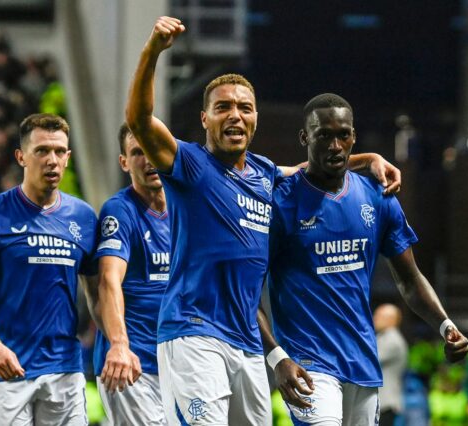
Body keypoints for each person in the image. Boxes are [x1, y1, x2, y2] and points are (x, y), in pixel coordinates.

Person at [125, 16, 402, 425]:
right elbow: (139, 121)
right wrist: (151, 52)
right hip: (193, 333)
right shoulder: (189, 163)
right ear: (205, 119)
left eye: (244, 107)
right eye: (223, 108)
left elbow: (312, 168)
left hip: (248, 342)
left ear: (255, 119)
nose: (234, 115)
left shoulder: (264, 173)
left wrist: (369, 159)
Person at [261, 93, 468, 425]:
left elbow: (410, 278)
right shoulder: (279, 202)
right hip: (308, 364)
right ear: (305, 138)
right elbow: (246, 291)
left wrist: (445, 325)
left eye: (343, 134)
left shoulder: (378, 197)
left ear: (353, 137)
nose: (335, 145)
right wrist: (277, 357)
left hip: (362, 364)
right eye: (323, 135)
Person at [0, 113, 98, 425]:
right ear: (22, 157)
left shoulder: (84, 218)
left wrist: (115, 344)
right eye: (42, 151)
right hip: (7, 370)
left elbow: (98, 293)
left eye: (60, 151)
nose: (52, 160)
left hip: (65, 368)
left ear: (68, 157)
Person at [91, 123, 171, 425]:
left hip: (179, 363)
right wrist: (120, 345)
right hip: (133, 365)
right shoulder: (120, 211)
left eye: (153, 149)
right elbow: (109, 280)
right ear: (124, 162)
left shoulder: (184, 208)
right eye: (138, 152)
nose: (149, 160)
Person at [374, 304, 409, 426]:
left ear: (391, 319)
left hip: (385, 403)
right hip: (381, 402)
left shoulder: (392, 339)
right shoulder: (383, 337)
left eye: (379, 315)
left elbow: (370, 360)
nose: (374, 318)